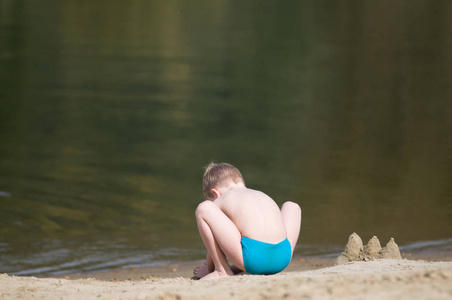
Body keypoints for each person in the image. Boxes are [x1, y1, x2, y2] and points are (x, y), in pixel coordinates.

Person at [194, 162, 302, 280]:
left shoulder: (221, 199)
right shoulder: (258, 194)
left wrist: (210, 268)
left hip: (254, 259)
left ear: (215, 193)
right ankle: (237, 267)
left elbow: (215, 237)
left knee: (204, 208)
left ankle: (221, 270)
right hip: (283, 257)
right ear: (243, 184)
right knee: (292, 206)